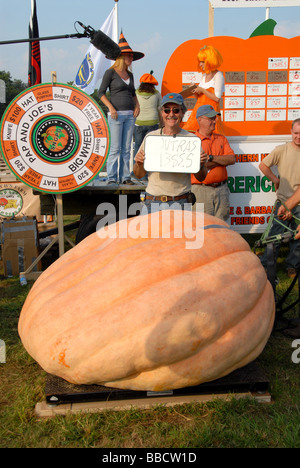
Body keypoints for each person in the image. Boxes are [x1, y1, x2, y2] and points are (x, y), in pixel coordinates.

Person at [133, 93, 208, 212]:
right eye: (167, 110)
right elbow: (138, 174)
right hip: (152, 201)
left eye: (176, 110)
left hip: (181, 201)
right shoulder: (151, 137)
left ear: (183, 113)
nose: (171, 114)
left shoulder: (191, 140)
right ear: (162, 113)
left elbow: (201, 177)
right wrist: (139, 163)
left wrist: (201, 164)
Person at [98, 31, 144, 185]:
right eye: (129, 56)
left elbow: (133, 93)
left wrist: (137, 105)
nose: (131, 58)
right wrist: (111, 108)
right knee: (115, 148)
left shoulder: (130, 75)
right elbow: (101, 93)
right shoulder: (110, 73)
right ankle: (112, 177)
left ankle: (125, 177)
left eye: (131, 56)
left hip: (130, 114)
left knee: (126, 149)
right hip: (116, 114)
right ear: (121, 57)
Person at [259, 118, 300, 278]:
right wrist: (275, 179)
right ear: (291, 132)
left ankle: (292, 266)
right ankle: (266, 265)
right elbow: (263, 165)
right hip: (283, 202)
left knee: (298, 239)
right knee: (273, 237)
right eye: (296, 133)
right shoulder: (281, 150)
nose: (298, 136)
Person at [191, 104, 235, 222]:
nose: (215, 121)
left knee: (221, 227)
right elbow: (196, 166)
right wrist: (221, 161)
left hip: (222, 189)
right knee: (202, 227)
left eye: (215, 118)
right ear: (200, 119)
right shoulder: (192, 141)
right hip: (201, 191)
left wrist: (210, 158)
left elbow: (231, 159)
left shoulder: (221, 138)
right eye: (211, 118)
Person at [182, 45, 224, 134]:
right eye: (200, 62)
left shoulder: (218, 75)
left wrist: (203, 90)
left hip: (210, 115)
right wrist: (194, 90)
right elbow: (199, 98)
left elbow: (217, 98)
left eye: (203, 62)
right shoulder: (204, 76)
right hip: (198, 114)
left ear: (210, 61)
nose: (200, 64)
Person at [134, 71, 162, 157]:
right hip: (153, 123)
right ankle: (149, 169)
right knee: (151, 147)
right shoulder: (157, 94)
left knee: (138, 147)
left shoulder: (136, 93)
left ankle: (136, 168)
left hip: (139, 123)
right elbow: (160, 108)